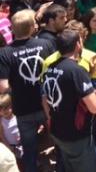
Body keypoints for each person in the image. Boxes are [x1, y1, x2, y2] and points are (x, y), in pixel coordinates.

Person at [0, 9, 55, 172]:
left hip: (23, 109)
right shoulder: (45, 44)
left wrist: (19, 86)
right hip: (48, 105)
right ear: (32, 27)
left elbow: (3, 87)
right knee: (58, 141)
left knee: (29, 150)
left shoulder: (5, 53)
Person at [41, 29, 96, 171]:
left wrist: (49, 117)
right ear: (78, 45)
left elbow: (44, 97)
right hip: (77, 136)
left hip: (58, 131)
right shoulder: (76, 71)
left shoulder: (50, 67)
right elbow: (94, 107)